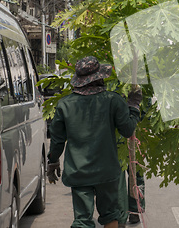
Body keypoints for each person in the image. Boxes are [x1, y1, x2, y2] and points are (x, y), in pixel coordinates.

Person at [47, 56, 142, 228]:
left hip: (78, 171)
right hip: (106, 171)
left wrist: (53, 161)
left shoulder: (65, 105)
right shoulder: (113, 100)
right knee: (110, 214)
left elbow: (57, 141)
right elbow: (127, 130)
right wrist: (134, 106)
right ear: (99, 77)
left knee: (82, 220)